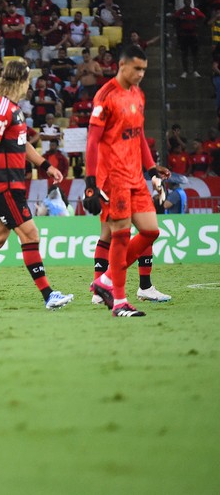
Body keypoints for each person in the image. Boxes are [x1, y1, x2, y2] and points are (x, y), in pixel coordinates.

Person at [0, 61, 74, 313]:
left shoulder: (14, 109)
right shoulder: (2, 108)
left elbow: (23, 146)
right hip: (5, 187)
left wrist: (46, 166)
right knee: (31, 235)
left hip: (12, 185)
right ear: (21, 81)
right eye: (28, 81)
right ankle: (48, 295)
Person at [85, 45, 172, 316]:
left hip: (135, 175)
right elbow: (92, 141)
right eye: (137, 68)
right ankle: (120, 302)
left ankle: (107, 279)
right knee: (120, 235)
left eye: (144, 69)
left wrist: (151, 169)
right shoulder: (106, 95)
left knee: (150, 231)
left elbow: (139, 135)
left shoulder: (138, 94)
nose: (140, 74)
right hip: (113, 177)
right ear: (122, 66)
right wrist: (90, 182)